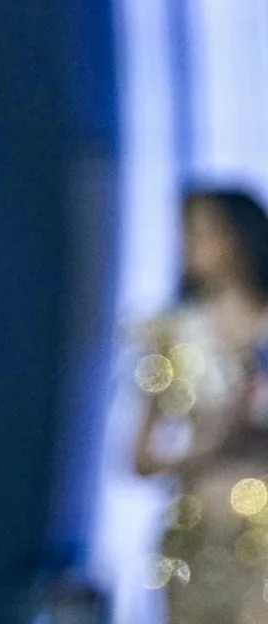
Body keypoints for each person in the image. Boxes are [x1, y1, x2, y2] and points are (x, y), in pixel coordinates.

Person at [133, 189, 268, 624]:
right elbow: (140, 458)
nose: (192, 244)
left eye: (207, 232)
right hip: (192, 538)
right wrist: (209, 444)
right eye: (187, 233)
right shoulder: (169, 332)